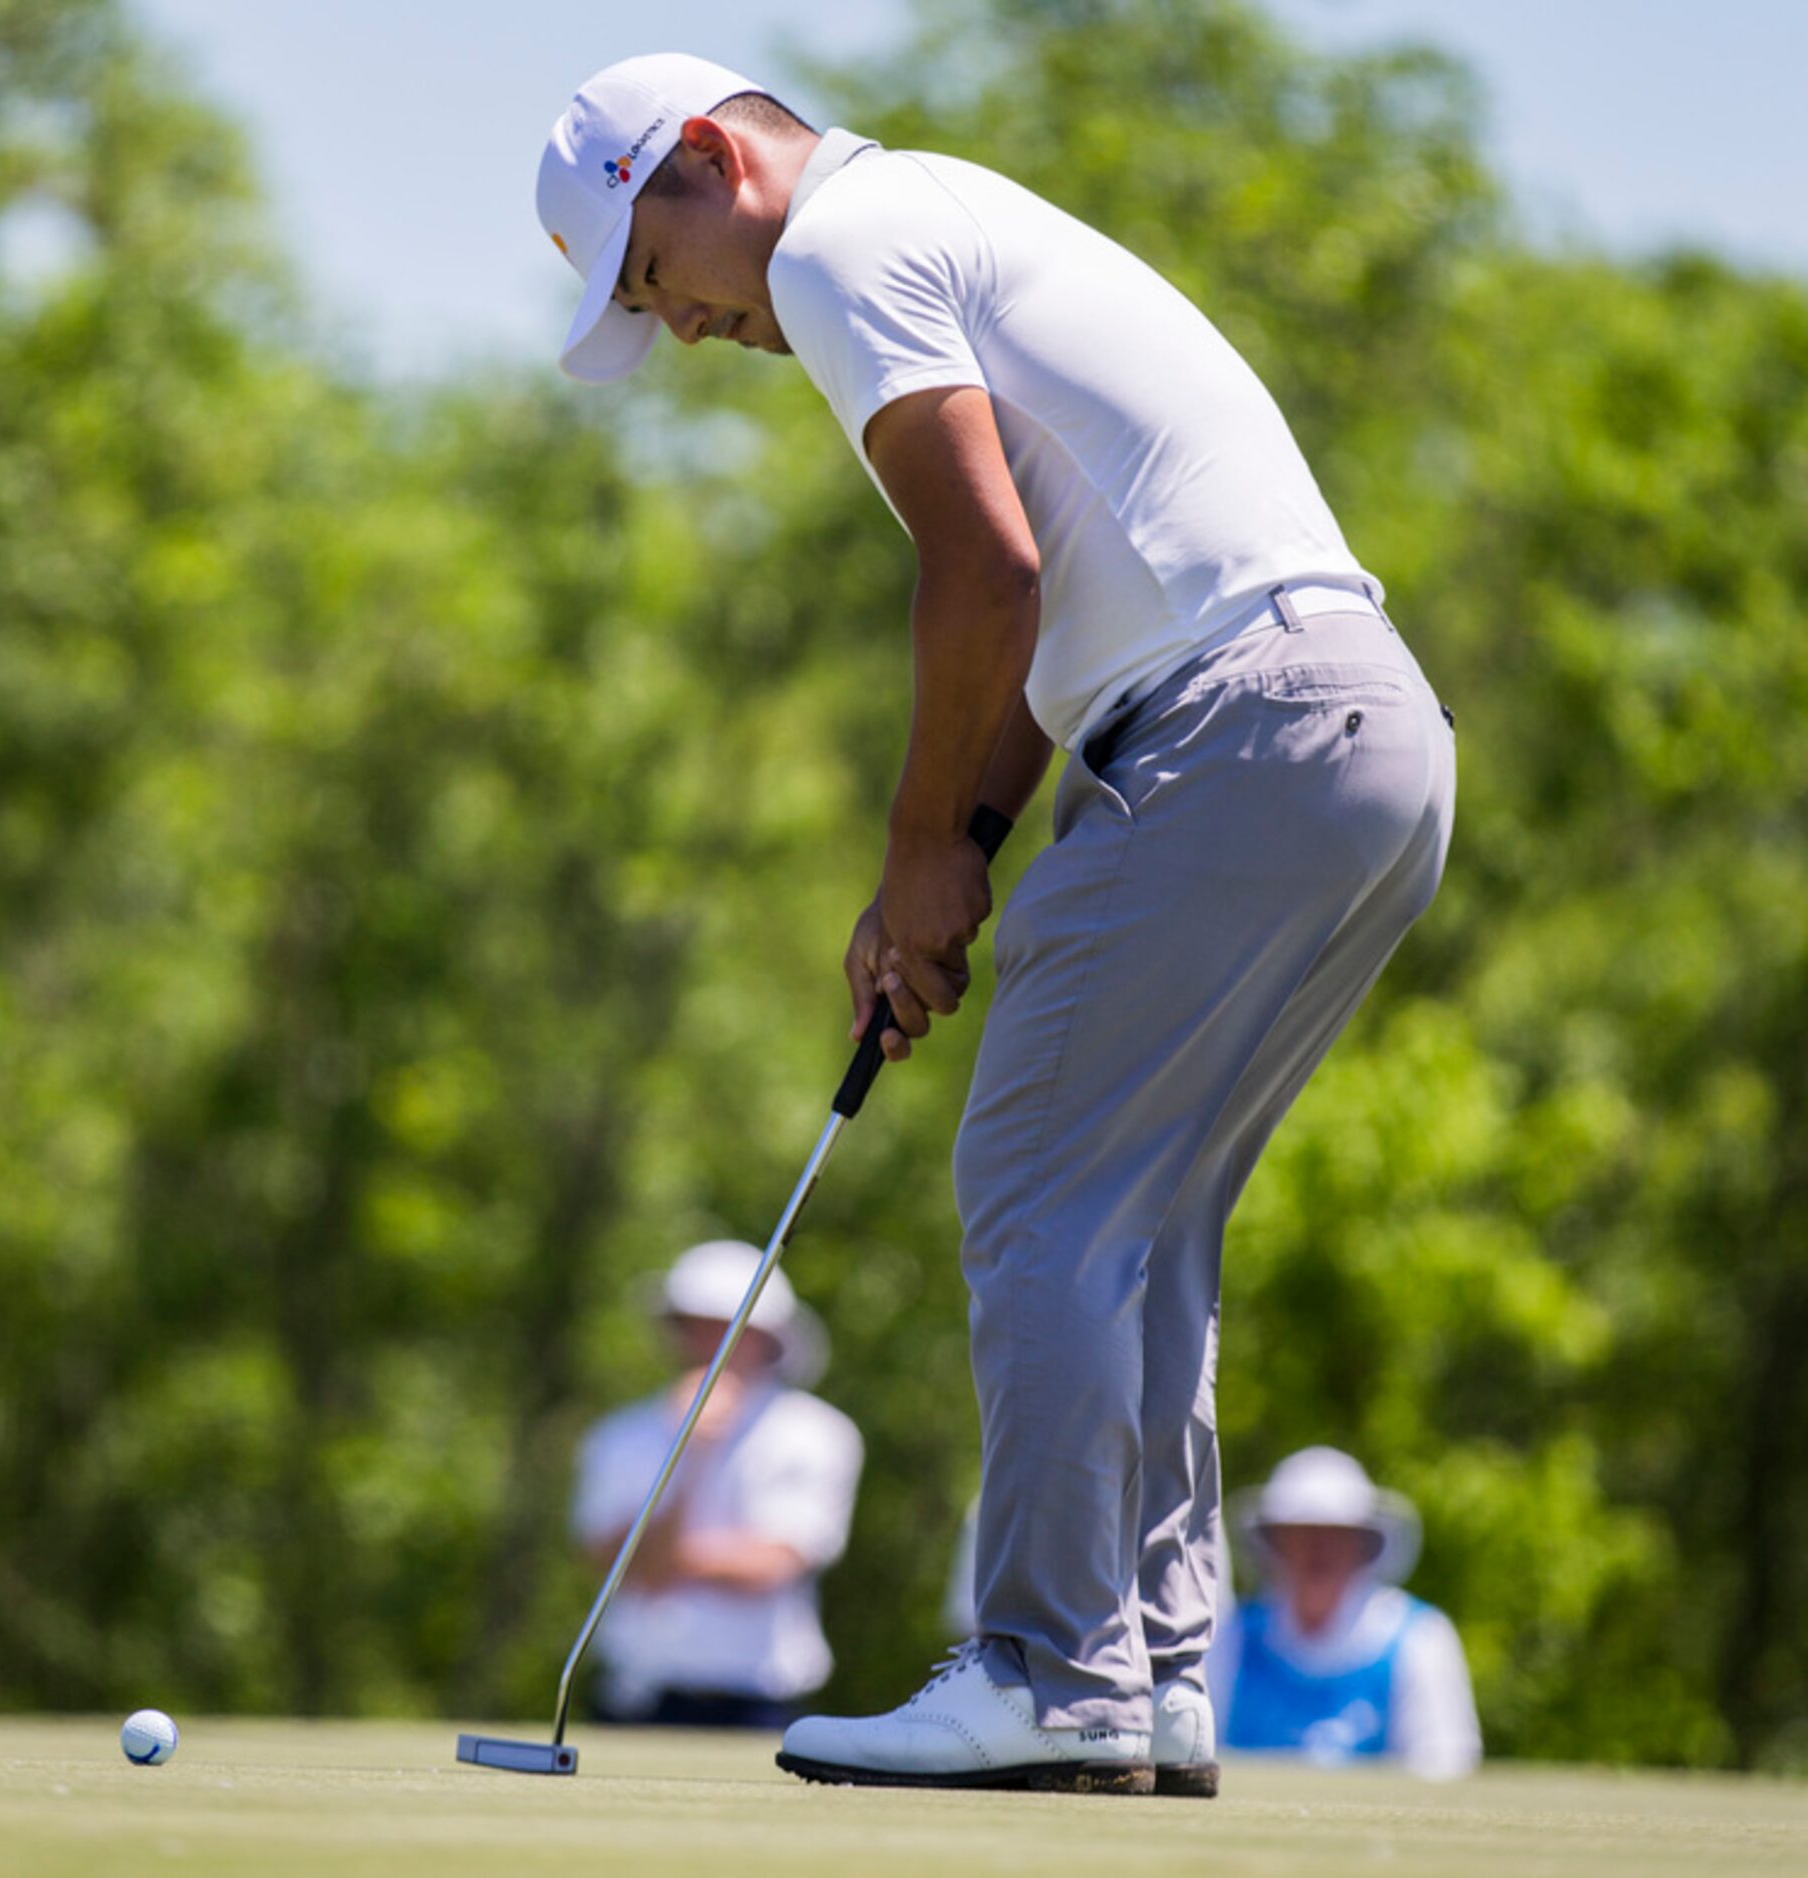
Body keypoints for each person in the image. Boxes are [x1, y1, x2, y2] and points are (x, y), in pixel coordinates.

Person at [535, 55, 1456, 1795]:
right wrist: (956, 843)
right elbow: (1046, 613)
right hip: (1358, 734)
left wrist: (906, 850)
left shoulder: (837, 238)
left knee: (1034, 1192)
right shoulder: (942, 215)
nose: (679, 330)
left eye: (657, 283)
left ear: (709, 163)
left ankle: (1051, 1665)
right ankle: (1156, 1669)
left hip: (1232, 727)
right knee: (1135, 1221)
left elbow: (986, 571)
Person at [571, 1240, 864, 1729]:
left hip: (756, 1704)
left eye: (731, 1329)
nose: (712, 1343)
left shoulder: (819, 1435)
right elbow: (607, 1559)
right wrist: (692, 1454)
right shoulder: (619, 1435)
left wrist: (661, 1557)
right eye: (696, 1325)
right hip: (632, 1696)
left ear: (769, 1338)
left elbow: (772, 1565)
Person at [1213, 1446, 1481, 1779]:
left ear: (1364, 1545)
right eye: (1302, 1533)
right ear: (1275, 1543)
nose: (1318, 1550)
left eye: (1336, 1535)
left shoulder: (1420, 1638)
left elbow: (1445, 1770)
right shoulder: (1231, 1637)